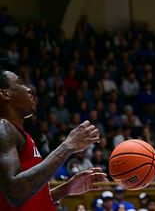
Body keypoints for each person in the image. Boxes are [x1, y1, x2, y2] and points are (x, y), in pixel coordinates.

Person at [0, 67, 106, 210]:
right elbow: (15, 192)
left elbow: (27, 196)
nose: (29, 89)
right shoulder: (3, 128)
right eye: (19, 83)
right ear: (4, 94)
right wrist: (67, 146)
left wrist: (66, 189)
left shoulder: (19, 133)